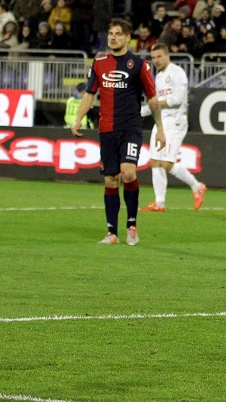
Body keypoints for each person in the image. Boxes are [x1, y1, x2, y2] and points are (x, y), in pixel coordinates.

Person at [71, 19, 165, 247]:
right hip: (106, 129)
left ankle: (131, 226)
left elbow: (152, 99)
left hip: (130, 128)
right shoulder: (100, 62)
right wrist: (78, 118)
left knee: (129, 173)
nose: (113, 37)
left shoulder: (139, 65)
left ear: (127, 38)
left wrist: (160, 128)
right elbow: (89, 94)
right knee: (111, 179)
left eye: (118, 34)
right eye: (111, 33)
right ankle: (111, 232)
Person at [140, 44, 207, 212]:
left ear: (167, 56)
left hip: (176, 122)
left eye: (159, 57)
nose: (156, 60)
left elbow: (177, 99)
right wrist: (136, 112)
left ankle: (196, 186)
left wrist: (156, 103)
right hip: (161, 122)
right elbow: (154, 106)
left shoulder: (177, 73)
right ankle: (159, 203)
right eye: (153, 58)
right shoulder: (159, 77)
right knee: (155, 161)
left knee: (166, 163)